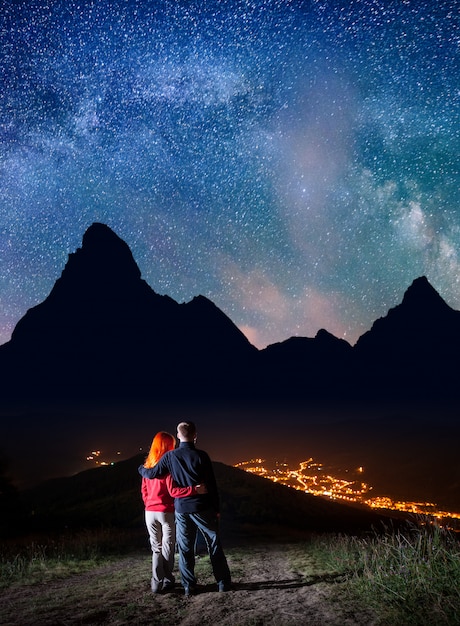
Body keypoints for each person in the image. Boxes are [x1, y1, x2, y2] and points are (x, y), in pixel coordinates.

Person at [138, 421, 231, 596]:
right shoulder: (202, 456)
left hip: (181, 509)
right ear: (195, 435)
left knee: (186, 549)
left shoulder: (169, 457)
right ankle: (223, 582)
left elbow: (151, 474)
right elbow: (212, 485)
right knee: (214, 544)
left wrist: (140, 468)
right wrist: (216, 508)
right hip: (203, 507)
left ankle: (189, 586)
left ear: (178, 435)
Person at [141, 431, 205, 594]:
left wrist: (149, 503)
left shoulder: (147, 465)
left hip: (149, 512)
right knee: (168, 547)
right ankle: (168, 579)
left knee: (156, 548)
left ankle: (156, 584)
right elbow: (174, 491)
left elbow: (144, 490)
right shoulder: (169, 466)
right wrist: (194, 490)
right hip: (166, 512)